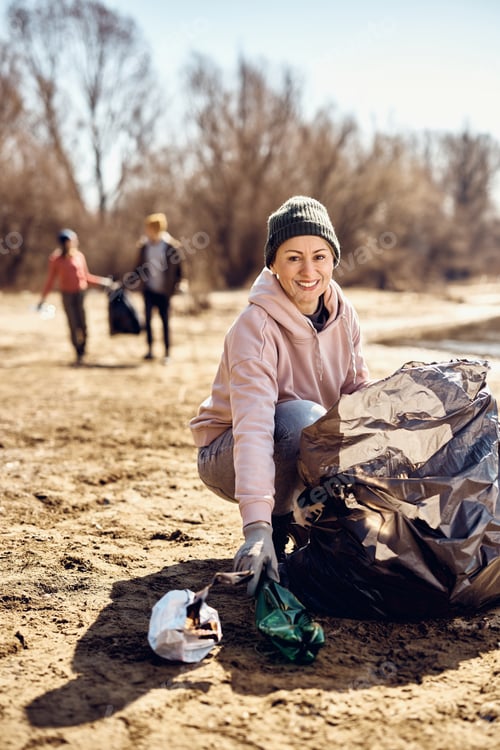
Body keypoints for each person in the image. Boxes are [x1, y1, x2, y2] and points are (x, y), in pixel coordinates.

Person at [190, 196, 371, 596]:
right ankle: (274, 531)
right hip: (228, 455)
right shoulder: (254, 327)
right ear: (273, 263)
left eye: (320, 256)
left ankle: (302, 522)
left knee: (347, 423)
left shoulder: (345, 315)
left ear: (333, 260)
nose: (309, 271)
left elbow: (357, 396)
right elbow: (254, 426)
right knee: (301, 419)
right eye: (293, 258)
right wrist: (256, 528)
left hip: (298, 442)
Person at [38, 228, 111, 365]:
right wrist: (43, 299)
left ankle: (83, 349)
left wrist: (103, 282)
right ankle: (77, 352)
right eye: (72, 241)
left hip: (80, 294)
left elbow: (87, 277)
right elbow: (50, 280)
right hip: (67, 295)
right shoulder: (56, 260)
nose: (74, 243)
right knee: (72, 324)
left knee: (82, 323)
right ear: (65, 243)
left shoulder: (79, 257)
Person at [135, 213, 182, 364]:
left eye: (149, 227)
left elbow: (179, 267)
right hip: (149, 289)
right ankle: (150, 350)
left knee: (165, 321)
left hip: (165, 290)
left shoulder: (170, 246)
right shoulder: (144, 246)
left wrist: (180, 282)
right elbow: (138, 266)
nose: (147, 230)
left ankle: (167, 352)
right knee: (148, 320)